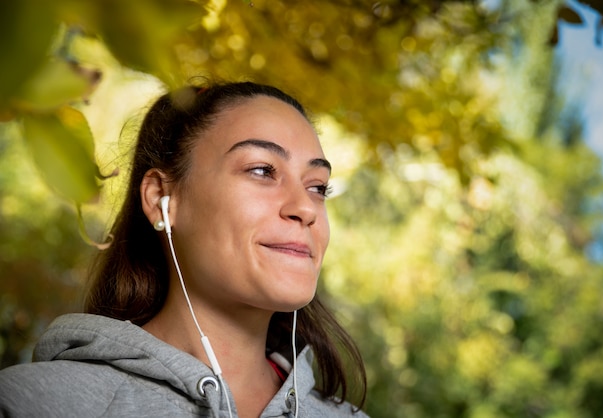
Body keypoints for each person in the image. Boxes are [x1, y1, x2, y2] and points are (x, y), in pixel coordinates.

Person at [0, 81, 368, 417]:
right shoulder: (31, 404)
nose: (305, 208)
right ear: (162, 198)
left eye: (318, 187)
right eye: (262, 170)